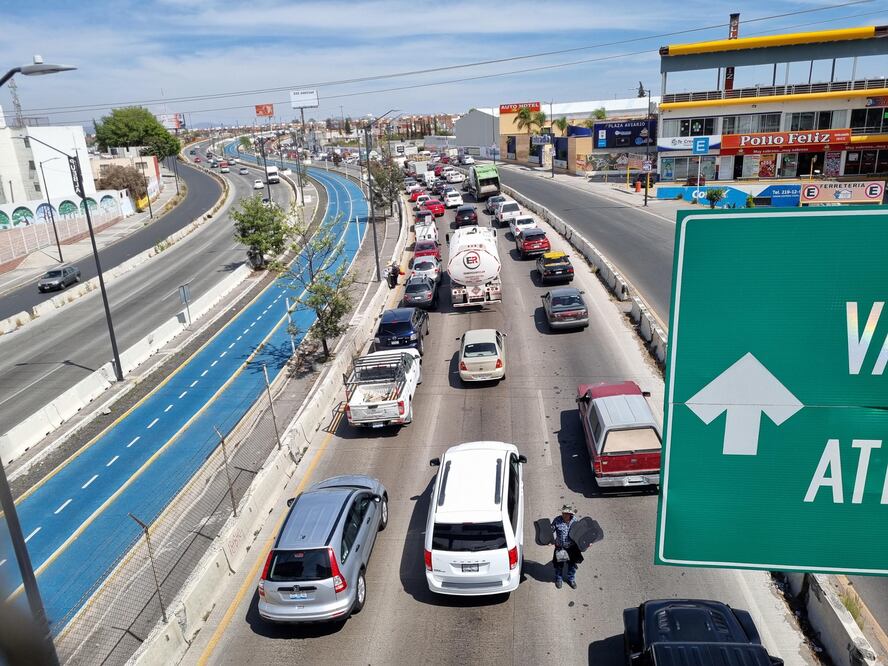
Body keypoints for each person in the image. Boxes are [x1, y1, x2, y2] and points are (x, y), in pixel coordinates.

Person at [551, 504, 583, 589]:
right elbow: (550, 530)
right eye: (563, 513)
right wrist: (549, 540)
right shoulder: (557, 520)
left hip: (572, 548)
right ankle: (559, 579)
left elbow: (581, 534)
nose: (564, 515)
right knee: (559, 565)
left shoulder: (575, 521)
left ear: (570, 514)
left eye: (566, 513)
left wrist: (587, 542)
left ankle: (571, 579)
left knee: (572, 565)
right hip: (560, 547)